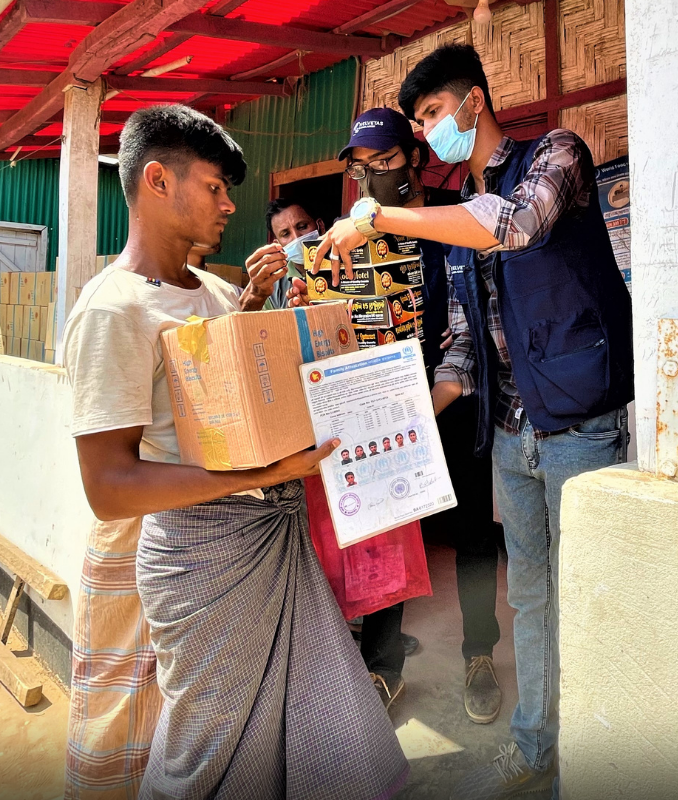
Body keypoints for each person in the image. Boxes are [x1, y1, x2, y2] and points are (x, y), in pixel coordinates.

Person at [63, 104, 407, 800]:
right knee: (210, 759)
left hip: (274, 540)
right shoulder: (115, 309)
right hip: (203, 561)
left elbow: (245, 408)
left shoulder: (221, 292)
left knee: (304, 738)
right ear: (158, 180)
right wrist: (260, 473)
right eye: (217, 187)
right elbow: (108, 485)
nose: (229, 205)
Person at [317, 46, 634, 798]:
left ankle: (597, 760)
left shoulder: (556, 155)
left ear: (474, 104)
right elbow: (462, 341)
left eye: (431, 116)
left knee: (586, 593)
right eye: (419, 121)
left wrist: (380, 214)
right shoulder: (458, 210)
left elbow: (517, 227)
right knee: (527, 593)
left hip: (580, 423)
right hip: (510, 433)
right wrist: (408, 421)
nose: (426, 134)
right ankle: (534, 747)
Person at [339, 106, 506, 728]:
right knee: (387, 532)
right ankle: (384, 668)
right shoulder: (357, 232)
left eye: (384, 162)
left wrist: (448, 379)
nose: (373, 177)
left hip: (456, 399)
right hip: (386, 410)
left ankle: (480, 653)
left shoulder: (447, 217)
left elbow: (481, 304)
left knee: (472, 535)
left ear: (413, 158)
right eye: (362, 167)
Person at [247, 198, 327, 310]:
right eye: (285, 234)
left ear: (320, 226)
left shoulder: (348, 263)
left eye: (302, 226)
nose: (296, 237)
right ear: (277, 245)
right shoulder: (272, 286)